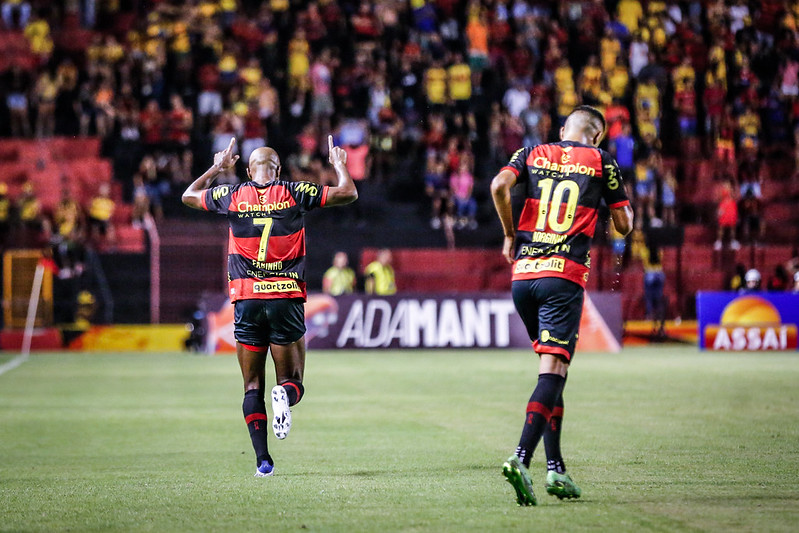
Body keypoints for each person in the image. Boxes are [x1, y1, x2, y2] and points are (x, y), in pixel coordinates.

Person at [182, 136, 358, 477]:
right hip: (285, 297)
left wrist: (217, 168)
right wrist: (338, 164)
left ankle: (263, 461)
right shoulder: (296, 191)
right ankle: (284, 395)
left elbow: (188, 196)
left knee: (251, 386)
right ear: (279, 170)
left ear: (249, 170)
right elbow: (348, 193)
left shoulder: (232, 195)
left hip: (246, 299)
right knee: (293, 380)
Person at [490, 105, 633, 506]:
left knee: (552, 370)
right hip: (562, 276)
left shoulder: (532, 152)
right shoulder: (602, 160)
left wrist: (507, 235)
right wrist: (623, 211)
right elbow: (623, 226)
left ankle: (557, 470)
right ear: (597, 136)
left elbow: (498, 187)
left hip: (523, 277)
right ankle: (521, 458)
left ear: (563, 128)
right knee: (555, 368)